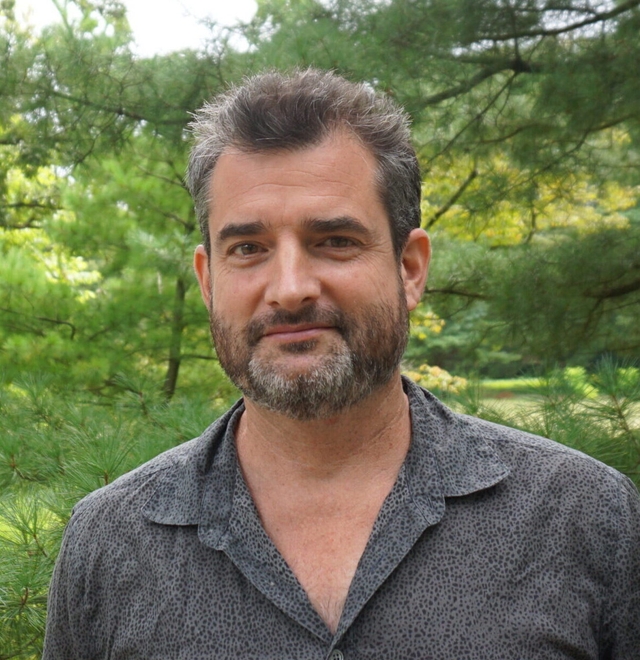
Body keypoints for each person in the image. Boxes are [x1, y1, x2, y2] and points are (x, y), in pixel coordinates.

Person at [43, 69, 640, 659]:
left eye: (335, 241)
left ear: (410, 268)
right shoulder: (109, 541)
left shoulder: (586, 517)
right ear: (208, 280)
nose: (291, 288)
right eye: (248, 249)